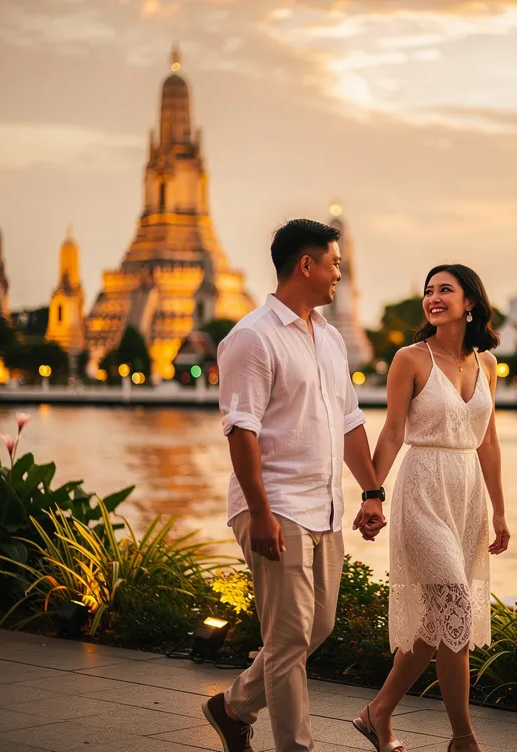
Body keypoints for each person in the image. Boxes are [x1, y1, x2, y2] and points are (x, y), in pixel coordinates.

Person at [202, 218, 385, 752]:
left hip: (324, 506)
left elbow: (350, 423)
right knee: (286, 643)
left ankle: (232, 707)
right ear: (305, 265)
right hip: (276, 503)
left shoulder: (328, 339)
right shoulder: (252, 338)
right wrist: (259, 512)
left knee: (317, 627)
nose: (338, 274)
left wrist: (371, 492)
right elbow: (241, 430)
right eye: (333, 264)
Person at [351, 264, 510, 752]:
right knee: (456, 609)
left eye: (445, 290)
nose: (433, 298)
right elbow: (392, 432)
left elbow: (488, 442)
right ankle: (463, 738)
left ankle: (378, 713)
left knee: (435, 622)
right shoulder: (409, 359)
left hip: (466, 498)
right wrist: (371, 494)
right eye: (428, 291)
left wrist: (500, 512)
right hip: (422, 490)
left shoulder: (486, 365)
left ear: (470, 303)